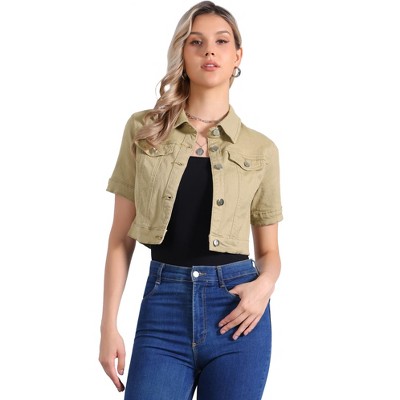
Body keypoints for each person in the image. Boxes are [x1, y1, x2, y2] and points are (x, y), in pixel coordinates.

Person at [99, 1, 283, 399]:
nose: (209, 50)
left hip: (237, 313)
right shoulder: (144, 130)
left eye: (222, 41)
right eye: (196, 42)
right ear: (182, 52)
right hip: (163, 307)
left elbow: (269, 252)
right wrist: (107, 325)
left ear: (238, 55)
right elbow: (120, 239)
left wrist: (264, 286)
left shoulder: (261, 149)